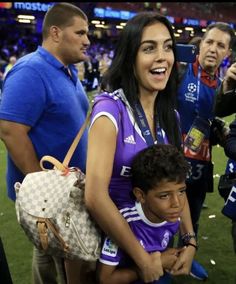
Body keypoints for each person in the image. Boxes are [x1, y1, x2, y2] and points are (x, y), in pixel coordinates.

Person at [85, 11, 197, 283]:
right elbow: (95, 196)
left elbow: (176, 183)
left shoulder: (172, 116)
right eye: (149, 48)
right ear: (130, 57)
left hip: (159, 248)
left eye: (167, 47)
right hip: (114, 259)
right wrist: (143, 259)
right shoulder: (110, 111)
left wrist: (190, 240)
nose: (162, 56)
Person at [0, 3, 90, 284]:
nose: (88, 40)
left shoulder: (66, 70)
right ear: (55, 33)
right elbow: (10, 130)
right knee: (63, 261)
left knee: (49, 256)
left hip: (66, 193)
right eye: (81, 33)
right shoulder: (31, 70)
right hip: (51, 196)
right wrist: (41, 189)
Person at [177, 22, 235, 279]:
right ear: (200, 44)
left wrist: (220, 131)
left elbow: (213, 118)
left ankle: (185, 256)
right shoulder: (178, 72)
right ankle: (158, 261)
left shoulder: (222, 85)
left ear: (228, 54)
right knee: (161, 216)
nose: (213, 48)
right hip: (171, 161)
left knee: (193, 214)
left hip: (201, 164)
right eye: (209, 42)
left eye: (220, 45)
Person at [98, 144, 192, 284]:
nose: (176, 203)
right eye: (164, 196)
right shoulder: (123, 223)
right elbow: (105, 279)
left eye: (181, 191)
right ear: (140, 195)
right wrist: (152, 266)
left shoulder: (173, 217)